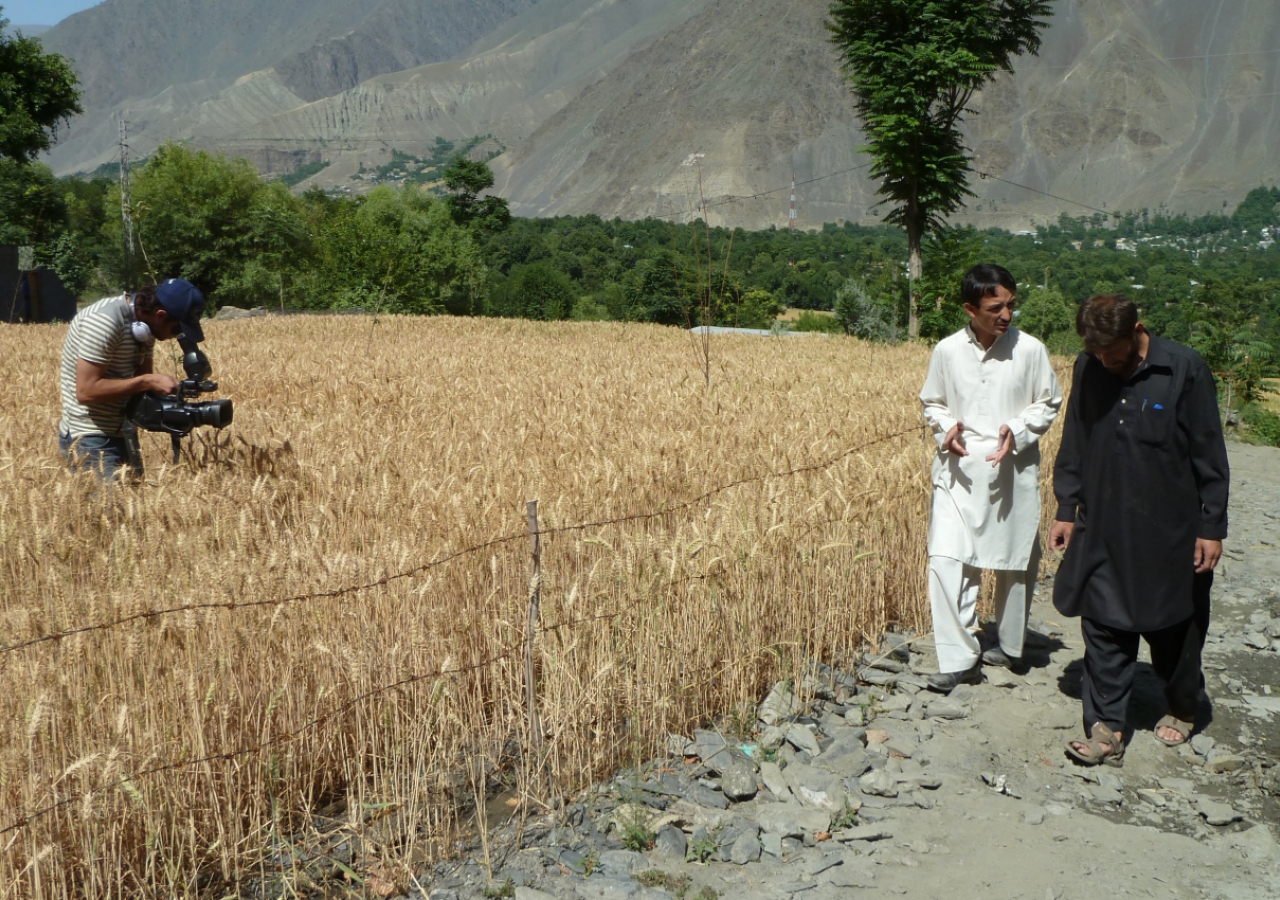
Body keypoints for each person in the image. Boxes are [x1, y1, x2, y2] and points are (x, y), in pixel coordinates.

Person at [1052, 294, 1228, 766]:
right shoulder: (1089, 366)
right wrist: (1067, 506)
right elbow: (1077, 434)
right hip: (1105, 522)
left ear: (1137, 331)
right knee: (1104, 622)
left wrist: (1211, 525)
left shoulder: (1184, 369)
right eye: (1097, 354)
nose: (1106, 362)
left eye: (1114, 353)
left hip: (1171, 527)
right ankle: (1107, 729)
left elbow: (1209, 451)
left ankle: (1182, 704)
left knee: (1175, 626)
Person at [920, 264, 1063, 692]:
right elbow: (933, 402)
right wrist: (944, 428)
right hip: (957, 472)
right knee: (947, 560)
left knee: (1013, 563)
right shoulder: (946, 351)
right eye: (995, 307)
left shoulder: (1031, 350)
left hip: (1011, 469)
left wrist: (1016, 431)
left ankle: (1011, 644)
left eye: (1011, 305)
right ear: (969, 308)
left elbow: (1049, 402)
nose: (1006, 315)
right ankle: (960, 657)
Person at [58, 278, 206, 479]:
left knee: (134, 507)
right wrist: (149, 381)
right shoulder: (104, 321)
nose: (177, 337)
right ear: (160, 315)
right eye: (177, 329)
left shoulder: (147, 330)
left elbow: (139, 387)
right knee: (109, 509)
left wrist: (178, 402)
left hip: (124, 431)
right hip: (89, 437)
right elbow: (86, 391)